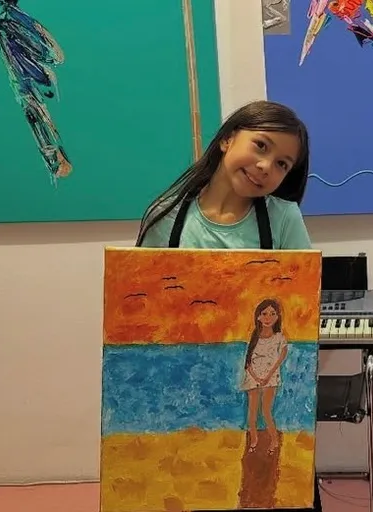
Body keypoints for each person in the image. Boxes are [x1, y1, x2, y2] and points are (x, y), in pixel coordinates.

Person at [136, 100, 323, 512]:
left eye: (282, 165)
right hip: (187, 385)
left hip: (258, 381)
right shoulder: (166, 217)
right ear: (226, 140)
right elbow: (146, 316)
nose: (266, 167)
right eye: (260, 146)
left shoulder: (284, 219)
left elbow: (302, 310)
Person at [242, 299, 289, 454]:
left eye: (272, 314)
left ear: (277, 317)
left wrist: (267, 377)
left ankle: (274, 440)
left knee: (266, 411)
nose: (268, 317)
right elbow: (248, 362)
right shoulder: (254, 338)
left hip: (271, 377)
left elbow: (280, 360)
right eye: (264, 314)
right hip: (253, 377)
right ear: (258, 317)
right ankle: (254, 439)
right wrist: (256, 378)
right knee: (252, 411)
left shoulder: (280, 338)